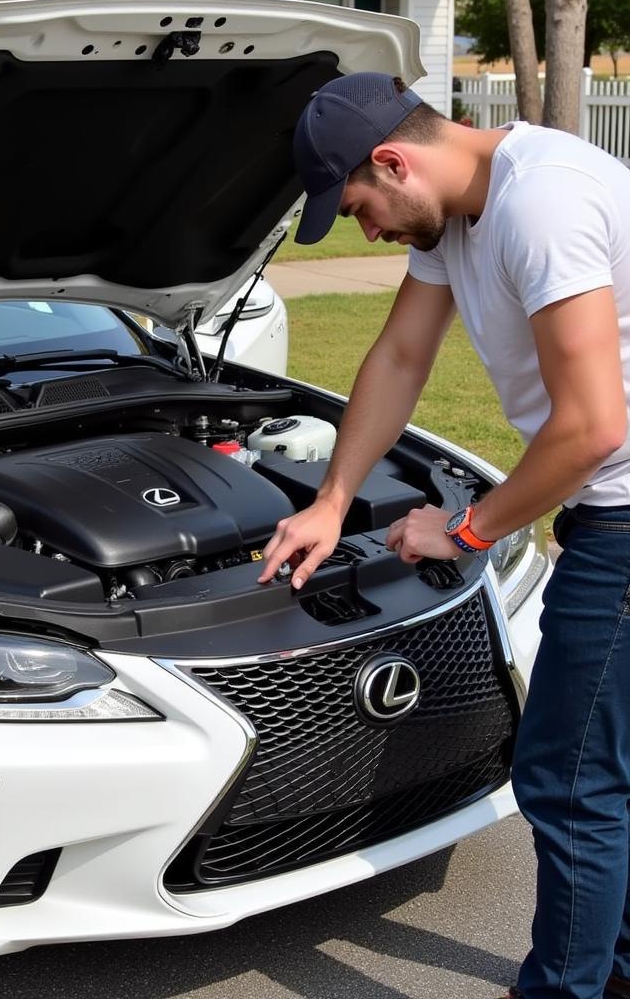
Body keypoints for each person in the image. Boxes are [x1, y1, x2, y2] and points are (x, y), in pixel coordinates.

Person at [257, 71, 630, 999]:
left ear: (393, 160)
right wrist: (334, 500)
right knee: (608, 770)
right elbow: (400, 355)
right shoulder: (462, 210)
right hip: (611, 503)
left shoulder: (541, 204)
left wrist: (466, 529)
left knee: (569, 778)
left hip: (624, 516)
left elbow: (592, 427)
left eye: (359, 210)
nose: (368, 232)